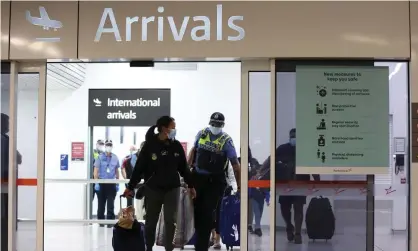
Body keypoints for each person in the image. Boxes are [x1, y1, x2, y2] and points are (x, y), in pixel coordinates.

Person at [123, 116, 196, 251]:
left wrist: (191, 186)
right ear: (164, 129)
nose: (174, 130)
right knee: (151, 222)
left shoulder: (176, 146)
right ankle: (149, 247)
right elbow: (139, 168)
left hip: (172, 189)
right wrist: (130, 187)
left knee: (170, 222)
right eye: (172, 127)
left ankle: (169, 248)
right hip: (153, 189)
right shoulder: (149, 145)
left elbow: (184, 168)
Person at [191, 112, 241, 251]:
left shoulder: (226, 140)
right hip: (198, 179)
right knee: (196, 212)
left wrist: (240, 186)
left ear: (222, 125)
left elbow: (236, 165)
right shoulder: (201, 134)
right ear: (210, 123)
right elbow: (193, 152)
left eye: (218, 124)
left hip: (215, 182)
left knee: (207, 213)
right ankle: (201, 241)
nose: (215, 126)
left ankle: (201, 246)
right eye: (213, 124)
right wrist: (187, 173)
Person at [264, 128, 319, 244]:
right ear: (289, 137)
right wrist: (261, 171)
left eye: (296, 136)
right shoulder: (282, 149)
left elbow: (312, 166)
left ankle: (298, 234)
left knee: (298, 208)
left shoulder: (305, 150)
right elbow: (270, 159)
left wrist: (317, 181)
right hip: (284, 184)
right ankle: (289, 227)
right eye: (292, 136)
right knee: (284, 208)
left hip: (301, 183)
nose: (294, 138)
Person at [93, 139, 120, 228]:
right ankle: (101, 222)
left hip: (111, 183)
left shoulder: (115, 157)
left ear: (112, 147)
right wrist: (96, 183)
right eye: (107, 145)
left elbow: (117, 171)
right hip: (101, 183)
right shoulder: (99, 157)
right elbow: (95, 171)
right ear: (105, 147)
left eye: (110, 145)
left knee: (111, 204)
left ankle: (110, 222)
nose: (108, 147)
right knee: (101, 203)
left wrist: (117, 183)